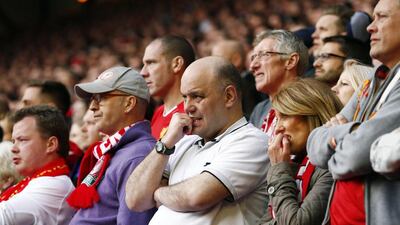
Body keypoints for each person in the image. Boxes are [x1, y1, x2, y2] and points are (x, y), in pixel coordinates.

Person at [125, 56, 269, 225]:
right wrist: (164, 144)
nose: (187, 107)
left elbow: (196, 196)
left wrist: (157, 192)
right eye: (185, 97)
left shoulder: (253, 141)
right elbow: (135, 199)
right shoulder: (181, 142)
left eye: (197, 96)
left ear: (229, 96)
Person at [307, 0, 400, 224]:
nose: (370, 27)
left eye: (382, 17)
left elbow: (355, 155)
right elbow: (315, 147)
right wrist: (355, 132)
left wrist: (339, 135)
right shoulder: (374, 79)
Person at [68, 66, 157, 225]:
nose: (92, 106)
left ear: (129, 103)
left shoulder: (138, 156)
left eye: (101, 98)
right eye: (92, 99)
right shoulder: (117, 149)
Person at [258, 79, 341, 225]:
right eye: (277, 119)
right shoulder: (295, 165)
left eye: (285, 116)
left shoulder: (331, 165)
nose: (277, 128)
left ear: (313, 115)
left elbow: (295, 222)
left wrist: (278, 169)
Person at [0, 105, 75, 225]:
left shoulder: (55, 185)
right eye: (13, 141)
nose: (13, 149)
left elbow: (3, 217)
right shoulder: (37, 180)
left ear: (51, 144)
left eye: (22, 140)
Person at [249, 29, 309, 137]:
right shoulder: (260, 110)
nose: (253, 66)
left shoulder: (311, 103)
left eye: (263, 55)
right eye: (253, 57)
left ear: (290, 61)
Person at [141, 35, 196, 139]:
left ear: (176, 64)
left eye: (151, 63)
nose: (143, 72)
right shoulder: (159, 112)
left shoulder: (193, 113)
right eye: (143, 64)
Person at [211, 39, 265, 119]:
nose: (212, 64)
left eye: (217, 59)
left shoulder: (249, 83)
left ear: (236, 60)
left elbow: (252, 118)